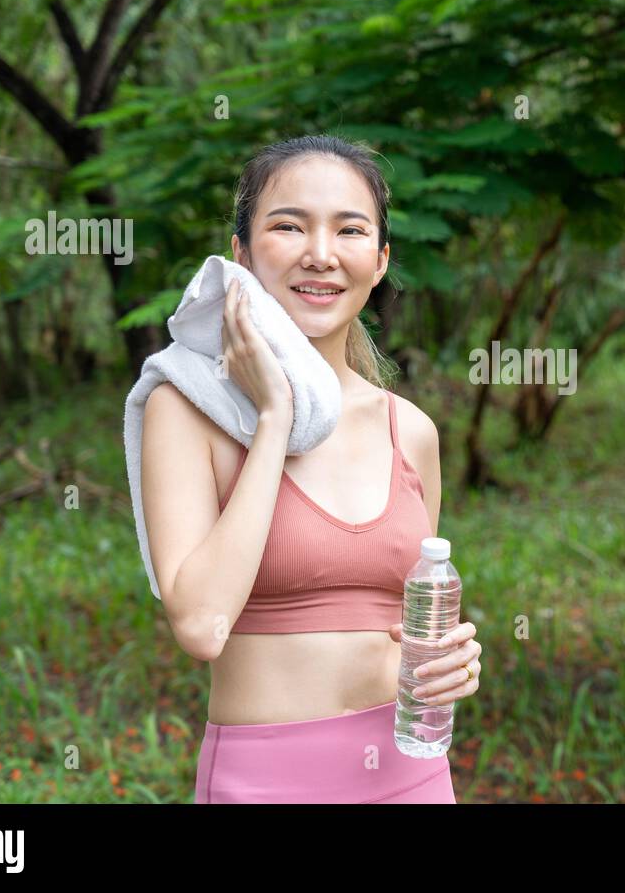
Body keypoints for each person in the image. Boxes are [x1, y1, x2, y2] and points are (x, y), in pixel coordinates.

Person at [139, 135, 483, 803]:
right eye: (288, 225)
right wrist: (273, 420)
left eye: (350, 230)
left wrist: (453, 663)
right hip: (264, 782)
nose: (320, 254)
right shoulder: (183, 410)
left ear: (379, 261)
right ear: (240, 254)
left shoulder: (410, 430)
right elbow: (202, 626)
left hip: (413, 775)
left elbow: (411, 622)